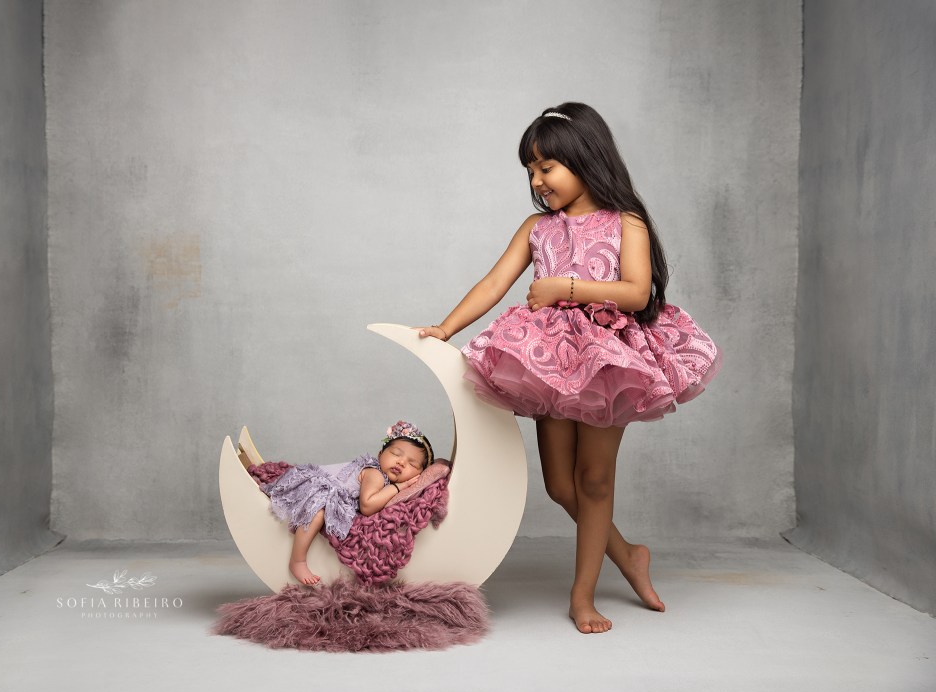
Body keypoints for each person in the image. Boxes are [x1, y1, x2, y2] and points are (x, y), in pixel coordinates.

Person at [416, 102, 720, 634]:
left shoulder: (627, 222)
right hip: (551, 362)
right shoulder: (538, 227)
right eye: (530, 171)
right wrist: (446, 328)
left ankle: (583, 595)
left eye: (545, 168)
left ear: (584, 158)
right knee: (560, 484)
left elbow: (636, 291)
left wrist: (565, 288)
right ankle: (628, 555)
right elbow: (493, 284)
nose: (537, 181)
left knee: (594, 479)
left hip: (610, 361)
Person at [261, 420, 434, 586]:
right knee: (318, 512)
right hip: (316, 487)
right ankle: (297, 560)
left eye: (412, 464)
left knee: (321, 508)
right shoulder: (376, 474)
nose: (401, 462)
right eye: (396, 454)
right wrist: (399, 486)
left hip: (327, 488)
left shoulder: (383, 477)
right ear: (380, 454)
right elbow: (367, 506)